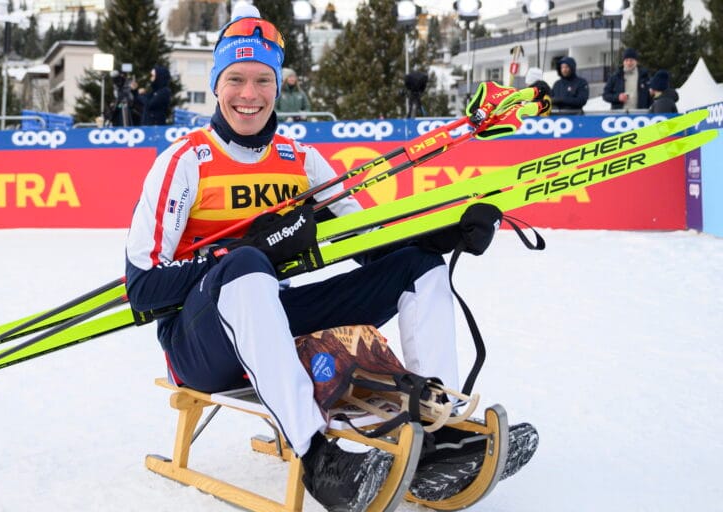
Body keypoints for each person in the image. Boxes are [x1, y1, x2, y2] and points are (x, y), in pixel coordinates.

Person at [125, 6, 529, 511]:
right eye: (235, 79)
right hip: (200, 346)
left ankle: (436, 430)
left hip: (272, 321)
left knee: (415, 269)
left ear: (277, 85)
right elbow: (141, 290)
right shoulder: (185, 162)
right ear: (215, 83)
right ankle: (318, 456)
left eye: (261, 80)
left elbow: (365, 240)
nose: (248, 95)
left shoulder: (301, 161)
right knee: (248, 270)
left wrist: (439, 237)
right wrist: (246, 252)